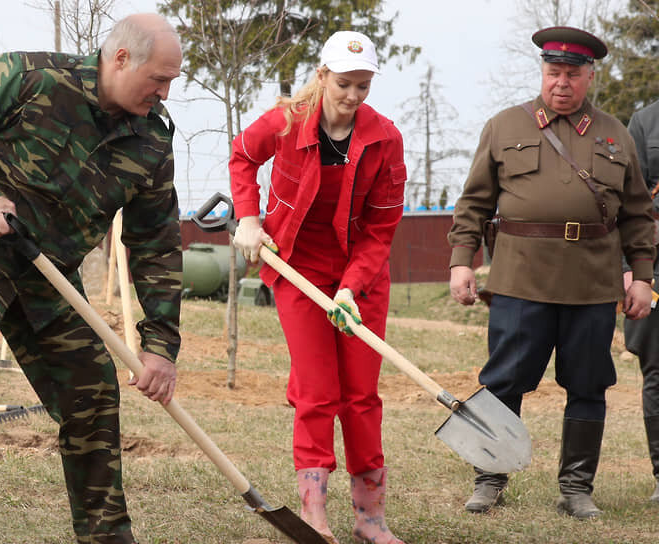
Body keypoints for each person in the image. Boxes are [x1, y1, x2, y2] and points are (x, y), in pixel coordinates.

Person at [0, 13, 183, 544]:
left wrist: (161, 346)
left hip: (44, 275)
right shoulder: (32, 79)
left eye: (172, 81)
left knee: (92, 393)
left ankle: (106, 535)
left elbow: (156, 244)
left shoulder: (150, 141)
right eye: (159, 78)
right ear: (121, 58)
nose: (165, 92)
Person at [447, 26, 656, 519]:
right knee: (504, 380)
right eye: (553, 72)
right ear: (542, 73)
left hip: (591, 283)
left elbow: (638, 214)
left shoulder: (615, 134)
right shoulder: (504, 127)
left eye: (573, 74)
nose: (562, 83)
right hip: (520, 279)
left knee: (587, 382)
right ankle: (489, 479)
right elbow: (473, 203)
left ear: (589, 76)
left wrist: (642, 276)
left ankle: (576, 488)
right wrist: (461, 261)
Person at [230, 30, 407, 544]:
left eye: (364, 86)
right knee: (316, 393)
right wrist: (247, 217)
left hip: (362, 277)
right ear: (323, 76)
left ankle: (370, 518)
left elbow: (380, 229)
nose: (353, 97)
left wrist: (352, 288)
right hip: (299, 271)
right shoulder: (286, 122)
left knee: (360, 395)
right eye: (344, 84)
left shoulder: (385, 138)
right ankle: (315, 513)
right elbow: (243, 156)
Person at [625, 97, 659, 503]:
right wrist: (630, 268)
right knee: (658, 369)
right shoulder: (645, 121)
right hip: (655, 265)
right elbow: (629, 202)